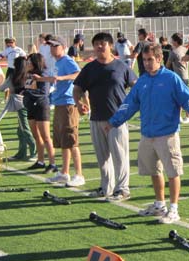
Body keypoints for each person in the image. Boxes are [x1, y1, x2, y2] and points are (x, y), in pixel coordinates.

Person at [109, 43, 189, 224]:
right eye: (144, 60)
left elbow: (188, 99)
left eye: (150, 60)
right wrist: (114, 121)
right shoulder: (142, 81)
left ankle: (174, 209)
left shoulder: (172, 79)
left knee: (173, 172)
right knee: (154, 172)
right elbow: (129, 103)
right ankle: (159, 205)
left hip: (167, 135)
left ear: (160, 59)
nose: (146, 63)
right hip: (147, 135)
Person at [74, 32, 137, 201]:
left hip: (117, 119)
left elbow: (136, 87)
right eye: (96, 44)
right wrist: (79, 103)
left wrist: (129, 107)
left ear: (111, 46)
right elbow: (77, 88)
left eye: (103, 43)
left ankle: (123, 189)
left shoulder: (122, 67)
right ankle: (106, 187)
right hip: (96, 118)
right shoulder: (89, 68)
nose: (99, 47)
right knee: (102, 158)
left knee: (120, 156)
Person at [42, 36, 85, 187]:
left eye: (55, 46)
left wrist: (61, 78)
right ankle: (64, 172)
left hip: (68, 103)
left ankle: (79, 174)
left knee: (72, 140)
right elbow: (54, 79)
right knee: (63, 141)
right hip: (59, 103)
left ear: (63, 47)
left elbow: (77, 74)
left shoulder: (67, 60)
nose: (52, 49)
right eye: (51, 46)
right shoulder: (57, 62)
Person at [24, 53, 56, 174]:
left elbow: (44, 92)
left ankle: (52, 163)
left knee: (46, 136)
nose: (27, 64)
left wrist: (28, 93)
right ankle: (40, 161)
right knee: (36, 135)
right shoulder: (29, 74)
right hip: (30, 106)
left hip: (41, 106)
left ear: (36, 62)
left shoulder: (43, 74)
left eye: (29, 62)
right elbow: (26, 86)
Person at [0, 56, 36, 161]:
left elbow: (1, 88)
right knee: (21, 130)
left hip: (20, 104)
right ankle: (21, 153)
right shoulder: (30, 75)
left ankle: (35, 150)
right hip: (30, 102)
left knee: (25, 129)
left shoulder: (13, 76)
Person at [166, 33, 189, 124]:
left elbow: (167, 66)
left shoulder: (174, 52)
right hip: (185, 76)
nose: (171, 42)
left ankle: (182, 116)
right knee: (183, 97)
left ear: (176, 41)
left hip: (178, 77)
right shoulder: (185, 49)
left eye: (172, 40)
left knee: (179, 97)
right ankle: (185, 116)